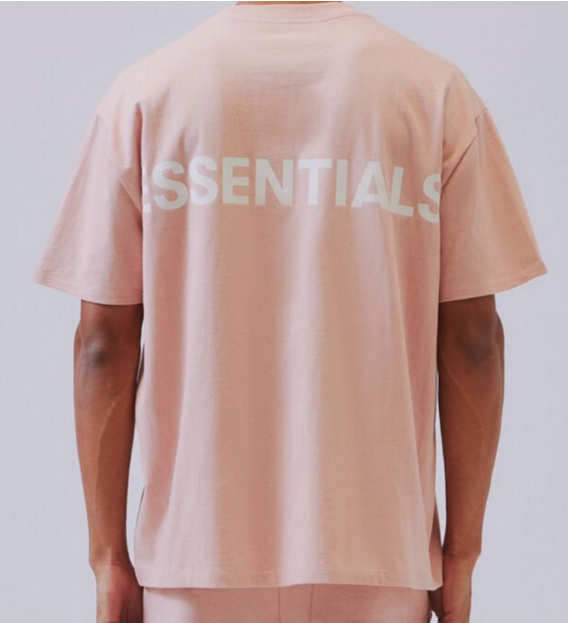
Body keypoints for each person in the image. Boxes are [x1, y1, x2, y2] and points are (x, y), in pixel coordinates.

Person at [33, 1, 548, 622]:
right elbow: (473, 343)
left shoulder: (147, 95)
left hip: (195, 559)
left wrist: (109, 559)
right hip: (380, 557)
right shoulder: (433, 93)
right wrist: (461, 554)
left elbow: (103, 345)